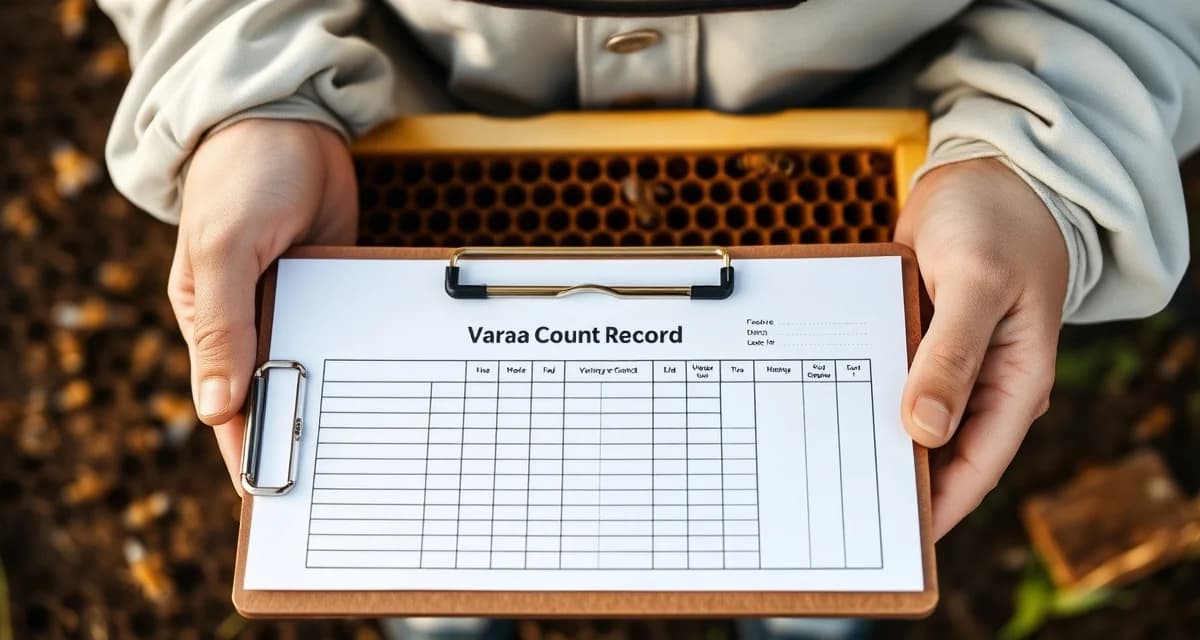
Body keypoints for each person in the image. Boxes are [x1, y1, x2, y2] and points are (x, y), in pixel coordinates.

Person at [97, 1, 1199, 638]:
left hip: (887, 209)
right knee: (438, 514)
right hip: (392, 175)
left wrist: (1038, 153)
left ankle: (818, 590)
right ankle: (429, 584)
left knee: (831, 508)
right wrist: (248, 94)